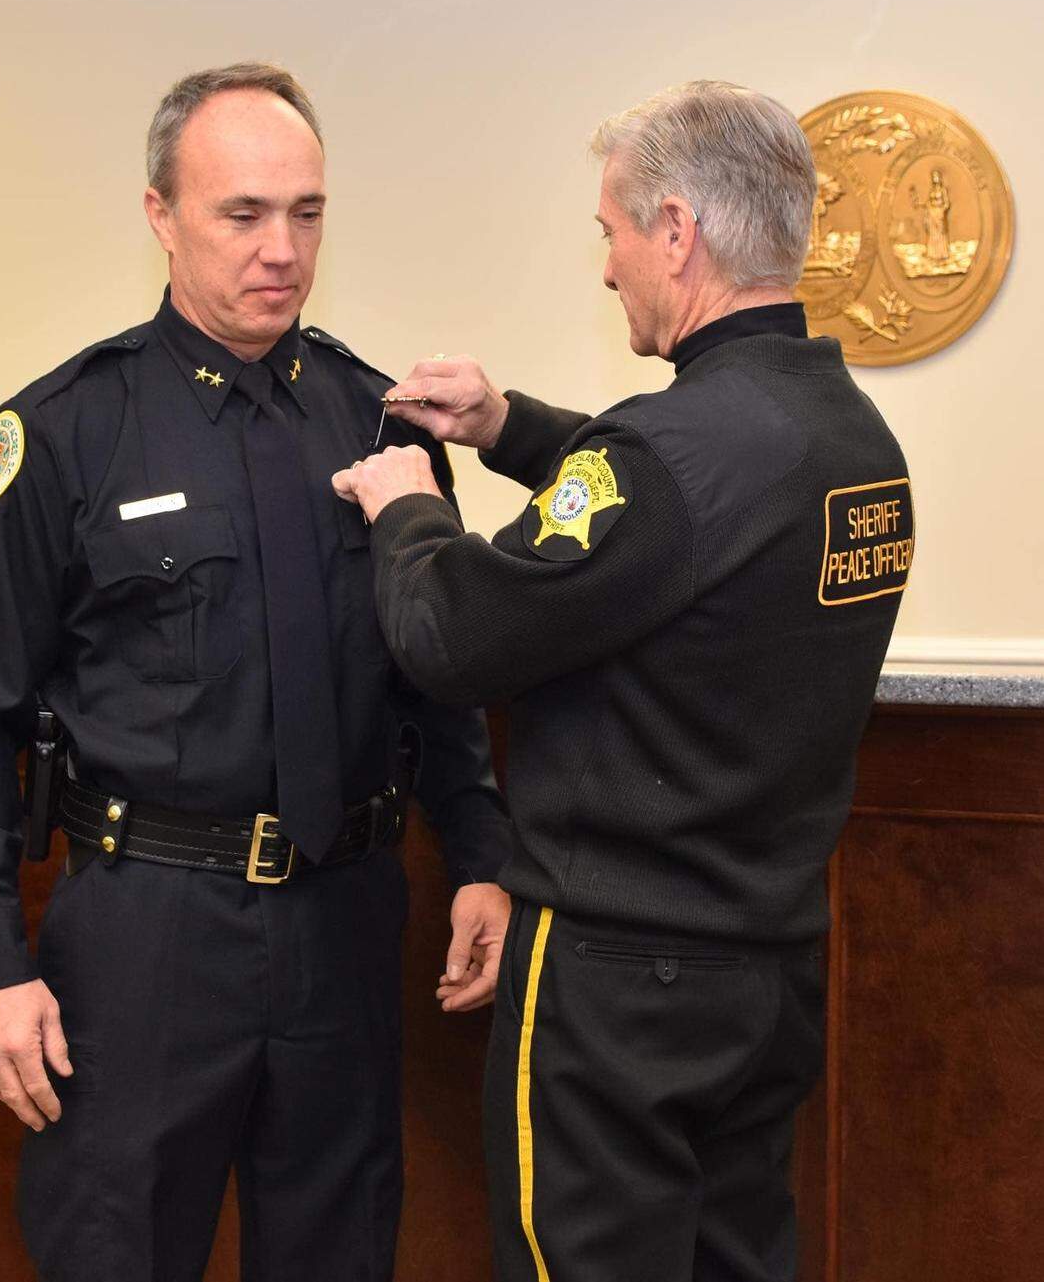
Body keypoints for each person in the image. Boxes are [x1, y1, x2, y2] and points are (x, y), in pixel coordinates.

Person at [0, 62, 511, 1282]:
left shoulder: (381, 423)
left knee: (339, 1253)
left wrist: (482, 861)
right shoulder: (64, 432)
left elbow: (434, 677)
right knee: (118, 1251)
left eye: (307, 212)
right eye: (243, 214)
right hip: (148, 936)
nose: (281, 248)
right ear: (160, 216)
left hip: (346, 919)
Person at [333, 80, 915, 1282]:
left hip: (619, 990)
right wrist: (509, 425)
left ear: (676, 232)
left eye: (609, 232)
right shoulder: (851, 440)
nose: (607, 270)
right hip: (765, 971)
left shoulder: (672, 457)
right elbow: (682, 522)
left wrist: (410, 512)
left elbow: (453, 637)